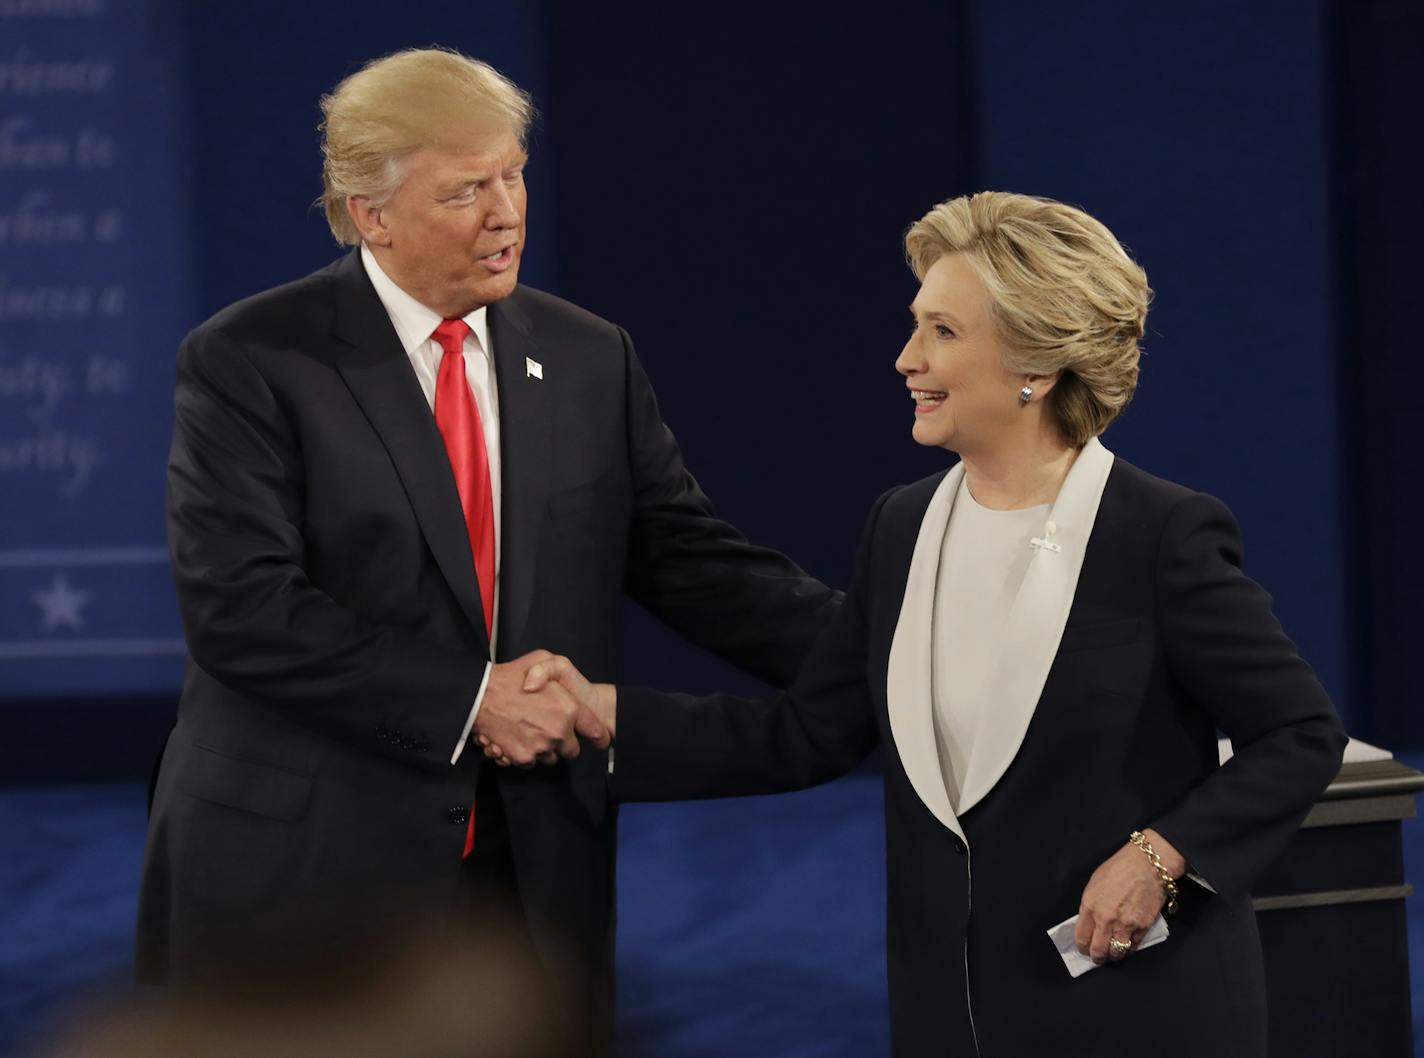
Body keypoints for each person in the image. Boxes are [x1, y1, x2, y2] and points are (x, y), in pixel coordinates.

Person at [526, 192, 1348, 1057]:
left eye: (943, 332)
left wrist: (1161, 856)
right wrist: (608, 715)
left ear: (1036, 359)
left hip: (1135, 1012)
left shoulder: (1160, 535)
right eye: (917, 326)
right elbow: (810, 732)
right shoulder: (902, 526)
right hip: (950, 1020)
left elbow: (1297, 732)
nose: (906, 358)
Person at [135, 47, 838, 1051]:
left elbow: (688, 559)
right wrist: (473, 698)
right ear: (370, 212)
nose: (506, 210)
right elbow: (240, 609)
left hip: (529, 857)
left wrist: (887, 649)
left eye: (509, 173)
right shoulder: (252, 359)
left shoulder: (589, 354)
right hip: (310, 857)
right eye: (466, 189)